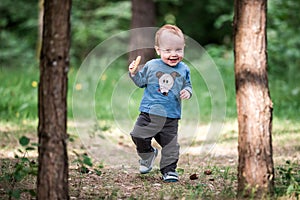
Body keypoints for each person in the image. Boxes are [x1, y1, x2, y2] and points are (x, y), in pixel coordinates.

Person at [128, 24, 192, 182]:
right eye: (168, 50)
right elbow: (141, 82)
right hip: (148, 113)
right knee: (137, 135)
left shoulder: (184, 69)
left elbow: (187, 85)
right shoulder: (151, 65)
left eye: (178, 50)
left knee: (171, 146)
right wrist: (134, 73)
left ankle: (169, 171)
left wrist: (188, 92)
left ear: (183, 48)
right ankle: (147, 154)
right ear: (158, 50)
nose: (173, 54)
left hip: (170, 117)